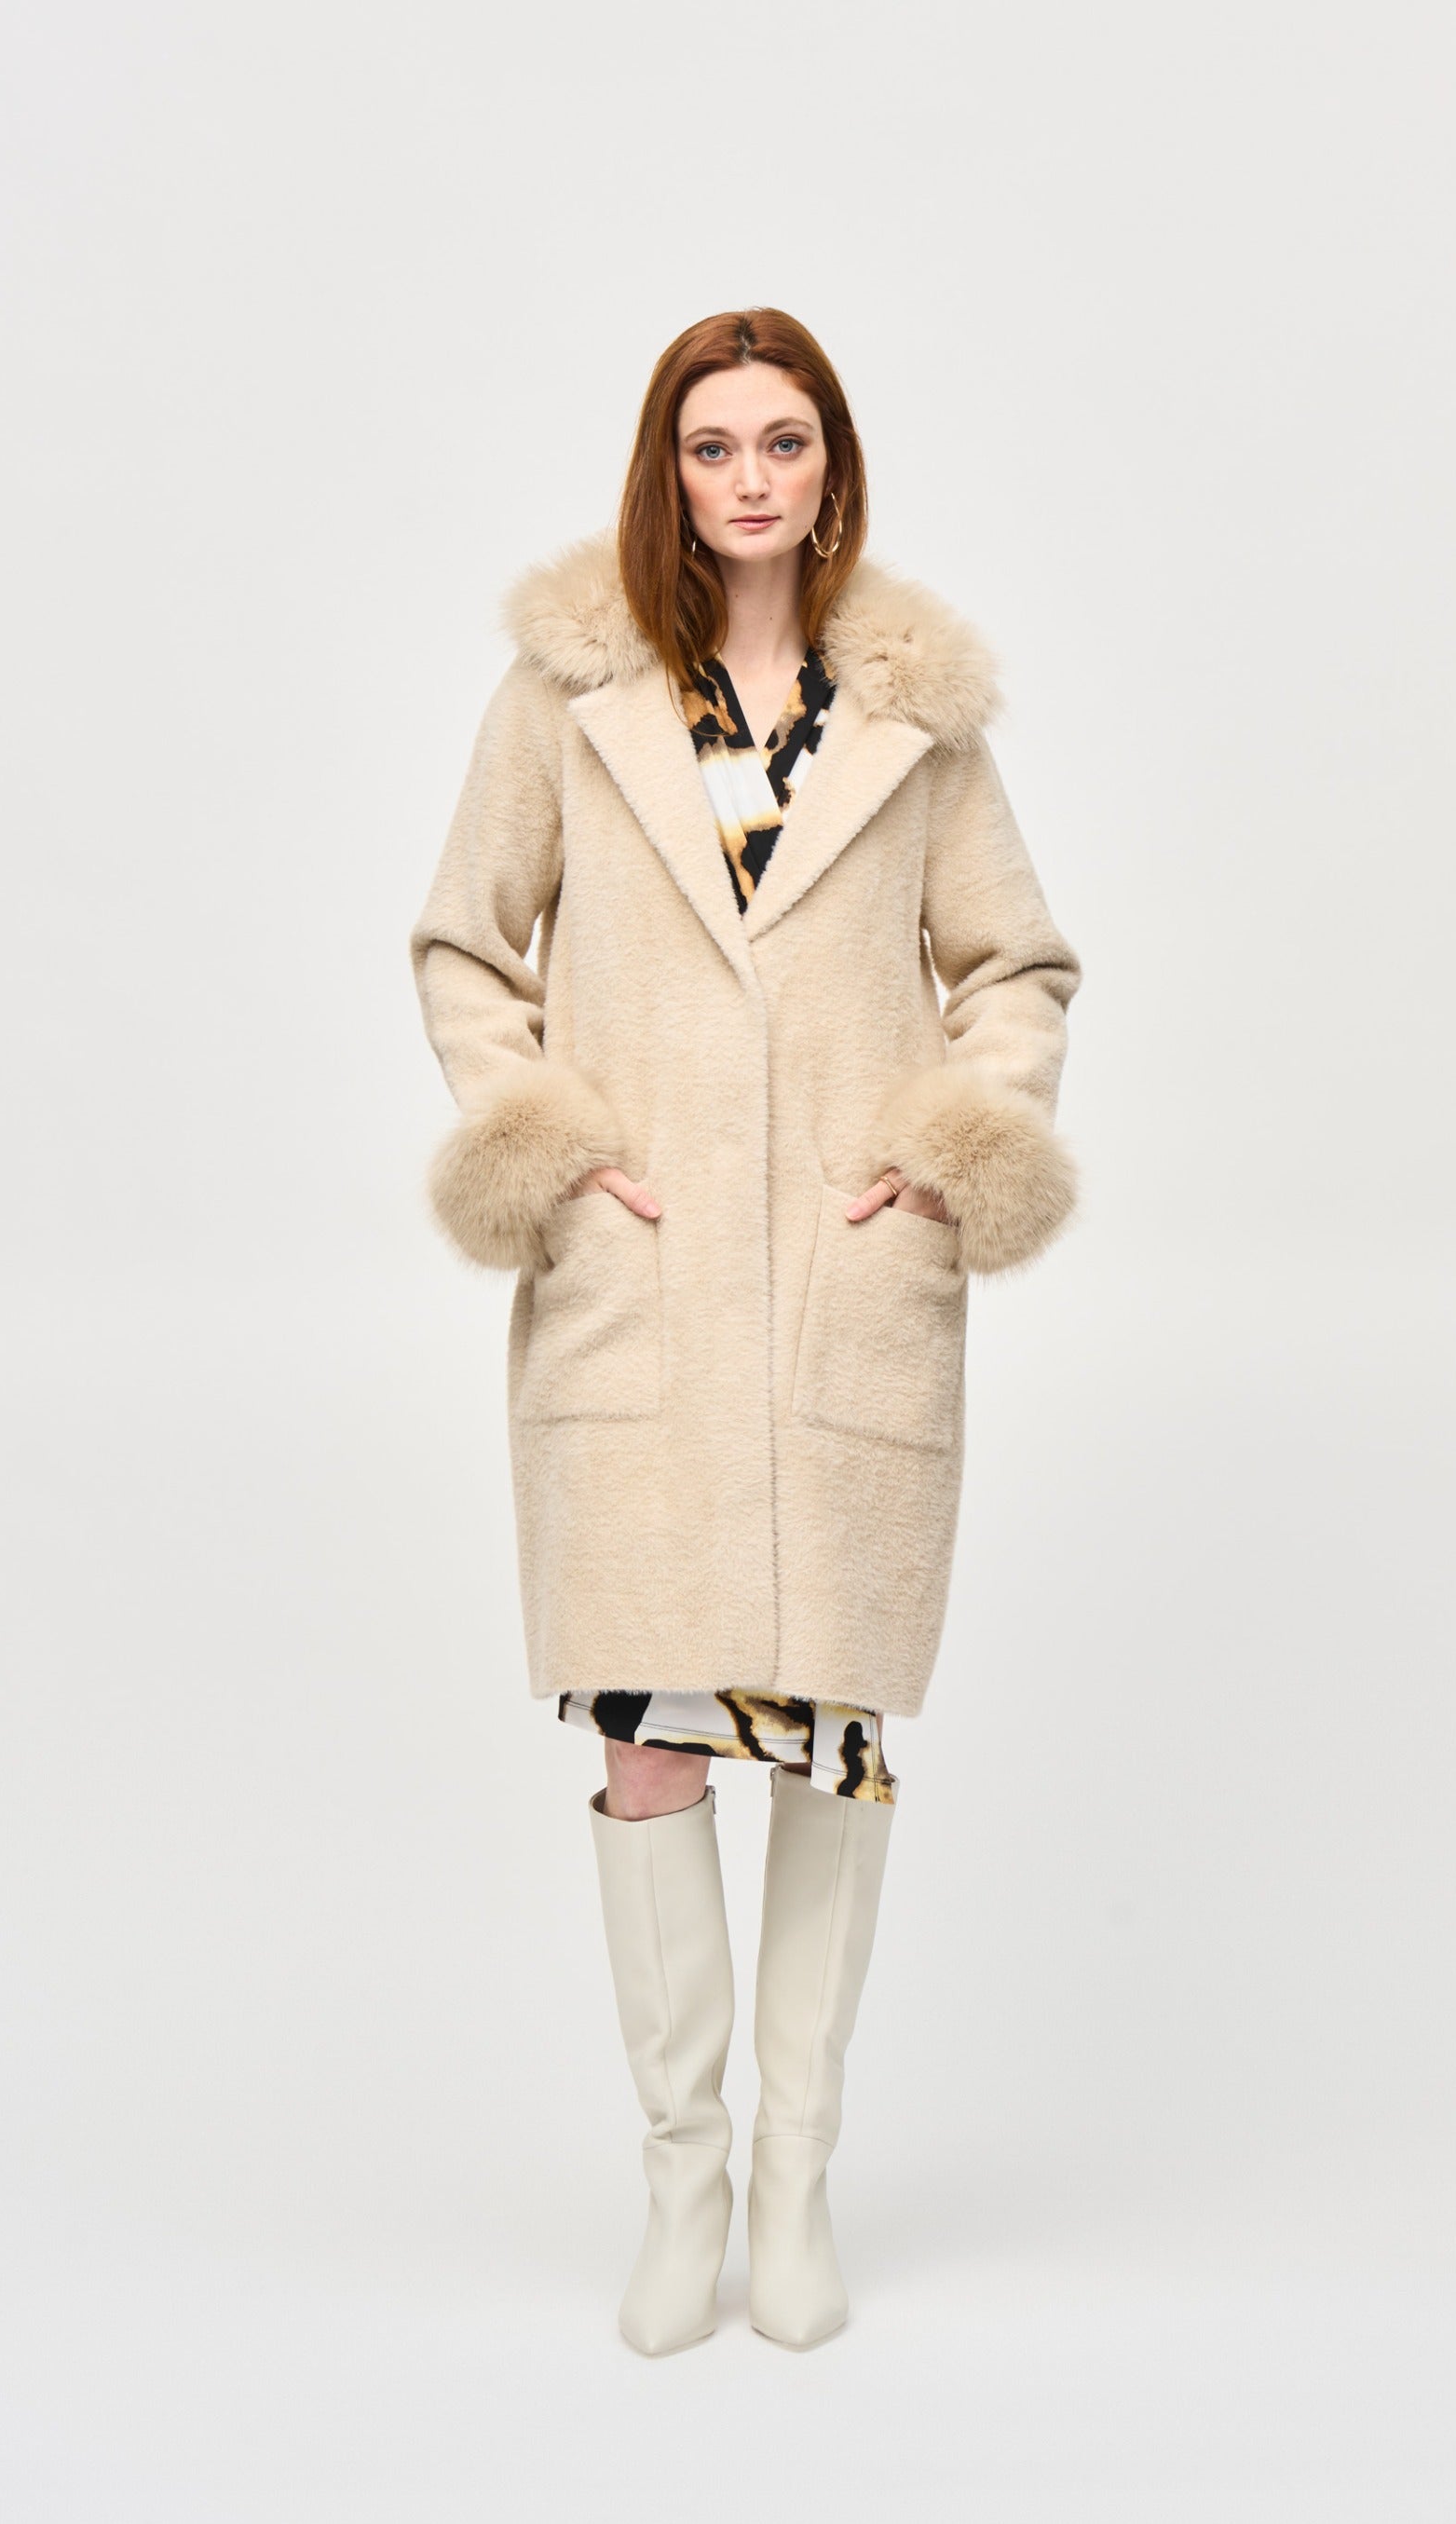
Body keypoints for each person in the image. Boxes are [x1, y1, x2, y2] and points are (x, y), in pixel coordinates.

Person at [409, 308, 1082, 2353]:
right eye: (714, 446)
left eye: (784, 441)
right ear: (669, 471)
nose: (751, 479)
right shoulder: (567, 694)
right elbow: (464, 946)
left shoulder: (917, 715)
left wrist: (948, 1158)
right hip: (640, 1284)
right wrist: (555, 1152)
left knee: (831, 1730)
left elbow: (1015, 966)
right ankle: (680, 2177)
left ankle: (797, 2179)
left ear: (831, 464)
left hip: (836, 1293)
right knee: (647, 1736)